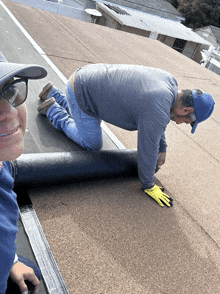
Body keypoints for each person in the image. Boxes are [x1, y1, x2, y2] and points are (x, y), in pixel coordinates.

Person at [37, 64, 215, 207]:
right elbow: (147, 149)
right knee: (92, 144)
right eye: (188, 121)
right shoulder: (157, 109)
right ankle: (53, 110)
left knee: (85, 122)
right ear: (186, 110)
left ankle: (53, 94)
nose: (182, 123)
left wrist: (163, 147)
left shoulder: (169, 83)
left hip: (88, 79)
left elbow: (159, 123)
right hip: (83, 94)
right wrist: (149, 185)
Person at [0, 52, 47, 294]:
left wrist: (11, 259)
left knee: (31, 274)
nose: (7, 112)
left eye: (9, 90)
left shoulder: (2, 156)